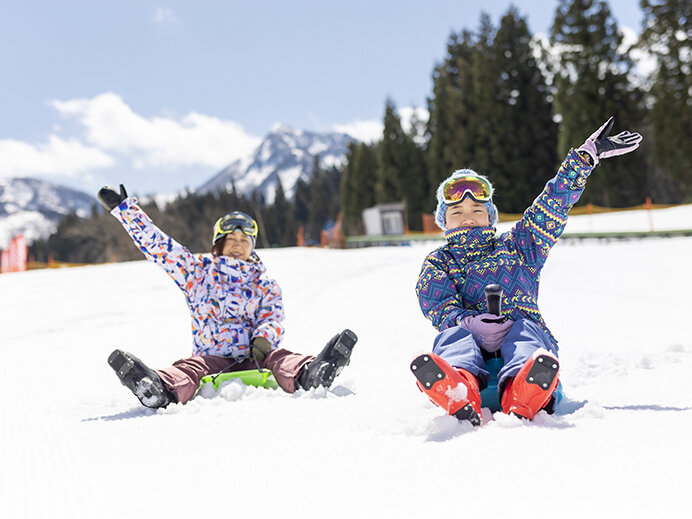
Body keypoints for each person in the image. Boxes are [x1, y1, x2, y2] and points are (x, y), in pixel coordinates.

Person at [411, 117, 642, 425]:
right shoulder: (440, 261)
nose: (468, 217)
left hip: (519, 338)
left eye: (477, 210)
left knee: (526, 331)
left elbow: (551, 206)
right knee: (452, 337)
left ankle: (525, 386)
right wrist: (468, 322)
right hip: (472, 348)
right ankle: (458, 387)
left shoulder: (519, 248)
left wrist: (583, 160)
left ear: (490, 216)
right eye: (457, 211)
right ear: (444, 221)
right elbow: (436, 303)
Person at [97, 186, 357, 409]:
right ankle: (156, 386)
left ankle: (312, 373)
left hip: (256, 357)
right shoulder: (198, 273)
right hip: (212, 358)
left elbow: (273, 316)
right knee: (189, 368)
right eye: (231, 238)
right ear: (217, 244)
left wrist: (264, 338)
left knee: (282, 358)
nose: (238, 244)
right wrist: (126, 211)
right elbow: (161, 248)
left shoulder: (264, 283)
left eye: (245, 240)